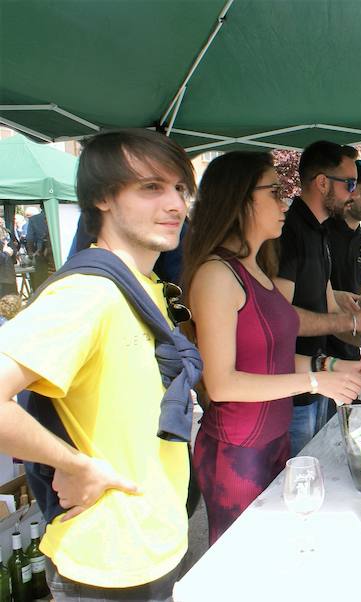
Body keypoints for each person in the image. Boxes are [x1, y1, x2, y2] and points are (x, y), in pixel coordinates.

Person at [0, 129, 205, 600]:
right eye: (151, 187)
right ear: (103, 199)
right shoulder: (90, 293)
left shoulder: (143, 283)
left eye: (179, 188)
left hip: (149, 548)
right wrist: (74, 464)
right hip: (104, 563)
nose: (175, 204)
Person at [182, 151, 361, 545]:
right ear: (240, 199)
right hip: (238, 452)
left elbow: (271, 357)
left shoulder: (256, 269)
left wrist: (332, 365)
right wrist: (316, 381)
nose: (284, 201)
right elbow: (222, 384)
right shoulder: (216, 275)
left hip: (273, 440)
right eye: (273, 192)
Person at [275, 140, 361, 456]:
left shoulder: (320, 231)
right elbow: (279, 320)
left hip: (320, 381)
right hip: (291, 390)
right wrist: (356, 321)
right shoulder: (290, 230)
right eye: (351, 185)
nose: (355, 195)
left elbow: (327, 310)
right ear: (322, 182)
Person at [325, 159, 361, 363]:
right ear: (349, 189)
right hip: (316, 351)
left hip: (352, 346)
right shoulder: (321, 232)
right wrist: (335, 297)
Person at [24, 206, 52, 289]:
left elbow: (30, 238)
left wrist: (30, 253)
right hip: (57, 251)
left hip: (41, 253)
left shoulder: (34, 219)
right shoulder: (60, 215)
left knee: (41, 282)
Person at [0, 223, 17, 297]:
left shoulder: (5, 233)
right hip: (3, 280)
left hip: (8, 278)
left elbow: (13, 251)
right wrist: (6, 253)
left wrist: (11, 251)